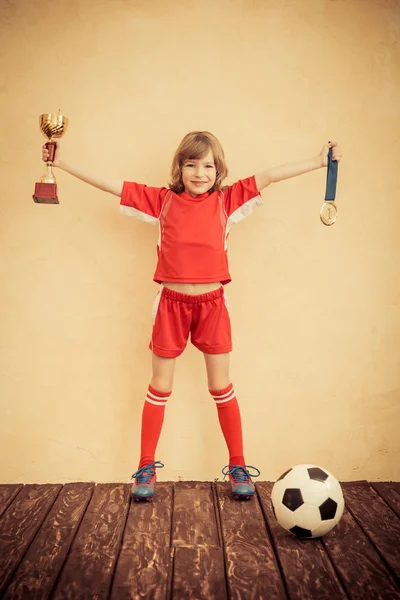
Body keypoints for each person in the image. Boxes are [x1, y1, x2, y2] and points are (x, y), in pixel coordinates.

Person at [42, 132, 342, 502]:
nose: (199, 172)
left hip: (213, 304)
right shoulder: (162, 201)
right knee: (160, 387)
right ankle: (146, 466)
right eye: (191, 164)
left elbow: (271, 175)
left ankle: (237, 465)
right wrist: (62, 162)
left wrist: (319, 162)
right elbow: (111, 186)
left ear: (218, 171)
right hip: (170, 304)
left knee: (221, 387)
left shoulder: (227, 201)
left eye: (207, 166)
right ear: (179, 168)